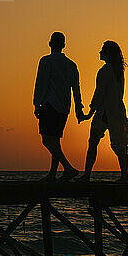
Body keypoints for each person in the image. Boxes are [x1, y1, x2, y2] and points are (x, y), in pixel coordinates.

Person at [33, 32, 84, 181]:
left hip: (49, 104)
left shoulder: (46, 61)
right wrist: (78, 108)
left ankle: (68, 168)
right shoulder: (71, 64)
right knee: (55, 140)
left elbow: (41, 83)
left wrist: (37, 103)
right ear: (64, 45)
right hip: (64, 107)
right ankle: (52, 174)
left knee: (47, 140)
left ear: (50, 43)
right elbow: (76, 88)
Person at [77, 41, 128, 183]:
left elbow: (99, 93)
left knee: (93, 142)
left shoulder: (105, 70)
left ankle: (87, 175)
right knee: (120, 144)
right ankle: (125, 176)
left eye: (102, 50)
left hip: (105, 112)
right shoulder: (119, 71)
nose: (99, 52)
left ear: (107, 53)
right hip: (117, 111)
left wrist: (90, 112)